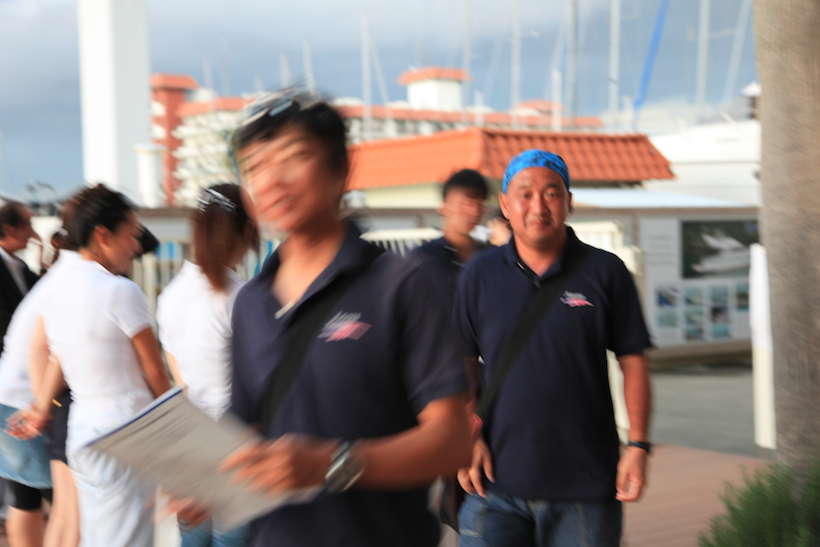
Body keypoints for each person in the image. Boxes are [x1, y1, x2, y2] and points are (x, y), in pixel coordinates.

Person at [176, 90, 472, 547]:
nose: (271, 180)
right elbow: (246, 433)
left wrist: (333, 464)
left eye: (294, 156)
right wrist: (206, 482)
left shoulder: (401, 284)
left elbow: (452, 440)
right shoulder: (251, 301)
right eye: (255, 166)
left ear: (340, 169)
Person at [454, 150, 652, 547]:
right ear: (506, 205)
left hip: (585, 488)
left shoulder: (606, 271)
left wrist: (638, 445)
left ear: (568, 202)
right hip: (494, 486)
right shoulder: (479, 274)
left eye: (552, 193)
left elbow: (633, 362)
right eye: (525, 194)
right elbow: (462, 363)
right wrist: (466, 439)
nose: (538, 206)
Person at [10, 184, 172, 547]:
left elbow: (57, 356)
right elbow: (154, 370)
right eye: (131, 234)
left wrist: (40, 409)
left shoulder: (57, 288)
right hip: (124, 432)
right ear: (102, 235)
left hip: (83, 433)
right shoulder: (121, 290)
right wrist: (177, 426)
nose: (135, 246)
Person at [156, 183, 257, 547]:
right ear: (246, 232)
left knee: (192, 540)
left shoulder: (171, 295)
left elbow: (180, 376)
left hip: (190, 439)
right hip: (236, 441)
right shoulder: (241, 297)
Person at [0, 202, 47, 547]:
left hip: (22, 389)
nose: (34, 232)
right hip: (12, 391)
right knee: (33, 489)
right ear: (9, 230)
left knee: (25, 492)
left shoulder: (22, 268)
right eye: (28, 225)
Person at [408, 169, 488, 303]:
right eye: (467, 203)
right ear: (445, 206)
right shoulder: (424, 259)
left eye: (480, 204)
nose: (475, 212)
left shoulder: (488, 255)